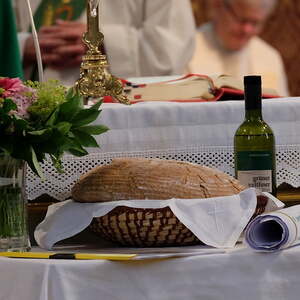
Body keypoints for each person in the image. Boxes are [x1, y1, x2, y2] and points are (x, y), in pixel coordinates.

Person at [14, 0, 196, 86]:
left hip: (120, 111)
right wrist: (21, 47)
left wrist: (105, 42)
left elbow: (171, 47)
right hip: (32, 111)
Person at [188, 0, 289, 96]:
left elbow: (282, 110)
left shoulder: (270, 57)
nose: (247, 30)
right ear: (217, 5)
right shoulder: (187, 53)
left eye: (255, 23)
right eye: (242, 20)